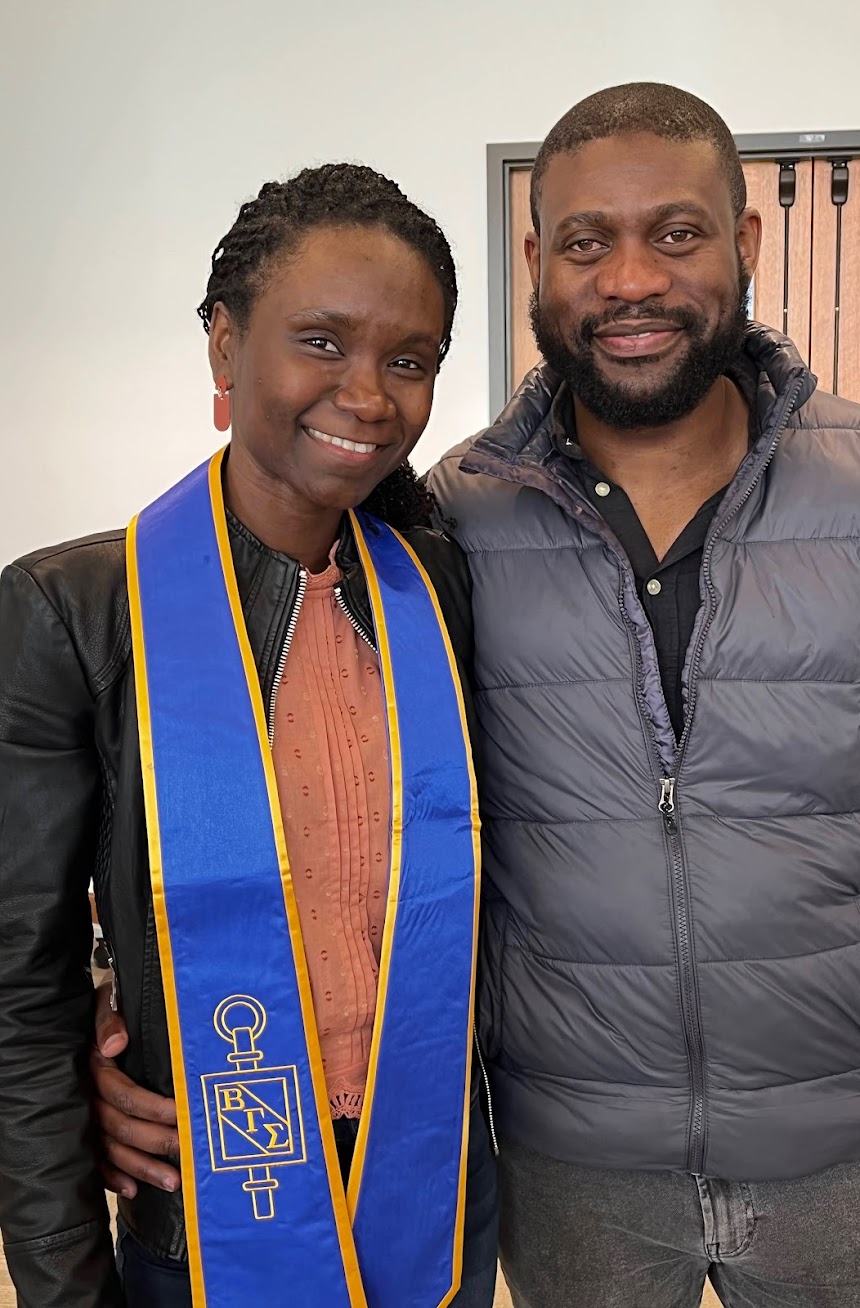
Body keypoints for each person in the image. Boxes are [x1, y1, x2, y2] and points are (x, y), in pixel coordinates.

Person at [93, 83, 860, 1306]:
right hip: (571, 1168)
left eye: (675, 233)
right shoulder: (443, 521)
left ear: (747, 245)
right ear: (536, 262)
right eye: (585, 242)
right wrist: (124, 1006)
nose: (629, 280)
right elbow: (299, 792)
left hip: (840, 1158)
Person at [0, 163, 498, 1308]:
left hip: (430, 1183)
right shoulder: (76, 612)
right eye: (321, 341)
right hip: (207, 1212)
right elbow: (20, 990)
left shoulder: (444, 593)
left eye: (410, 361)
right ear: (225, 348)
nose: (369, 395)